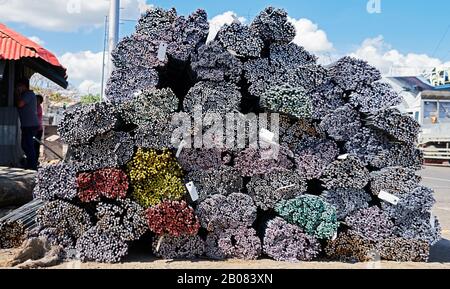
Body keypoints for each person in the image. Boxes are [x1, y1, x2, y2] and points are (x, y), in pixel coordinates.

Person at [15, 79, 39, 170]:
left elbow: (20, 104)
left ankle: (32, 166)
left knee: (28, 145)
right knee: (25, 145)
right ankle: (31, 164)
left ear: (24, 86)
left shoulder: (28, 94)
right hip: (27, 125)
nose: (18, 88)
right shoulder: (25, 94)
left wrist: (17, 95)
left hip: (30, 125)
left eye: (19, 86)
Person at [35, 94, 44, 164]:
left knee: (36, 145)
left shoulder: (38, 108)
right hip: (36, 129)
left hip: (38, 129)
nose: (35, 101)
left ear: (40, 101)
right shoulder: (36, 107)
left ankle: (35, 160)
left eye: (37, 100)